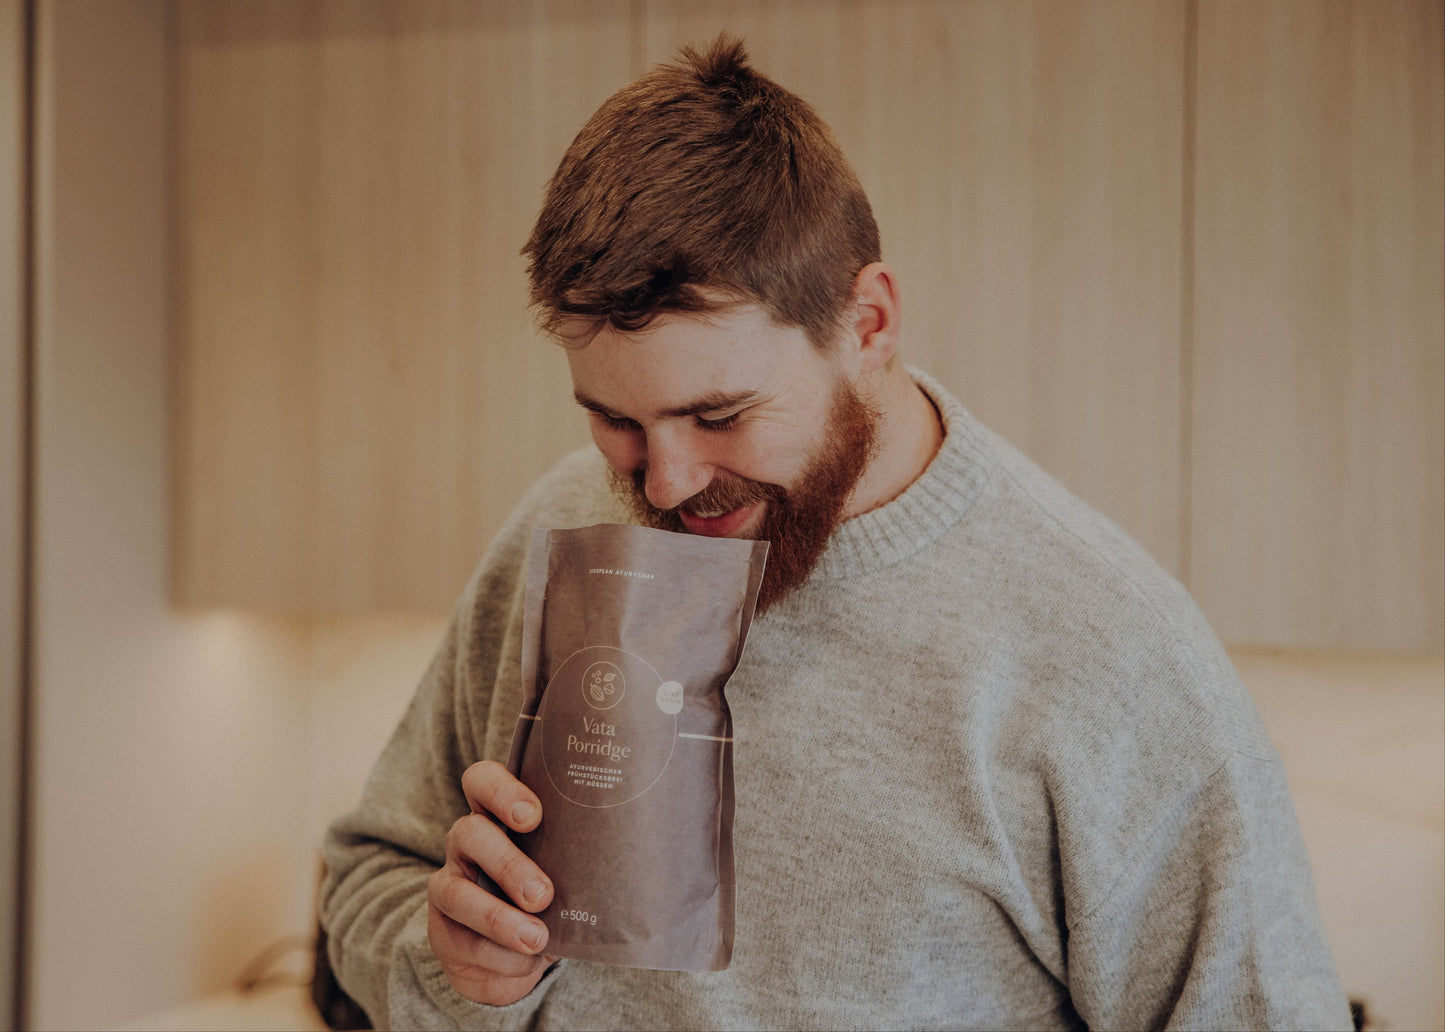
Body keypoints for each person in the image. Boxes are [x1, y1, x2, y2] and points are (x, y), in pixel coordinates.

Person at [320, 36, 1352, 1031]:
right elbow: (369, 872)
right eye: (616, 421)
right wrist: (454, 967)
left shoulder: (1105, 651)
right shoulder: (562, 524)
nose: (665, 484)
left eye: (720, 414)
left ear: (867, 325)